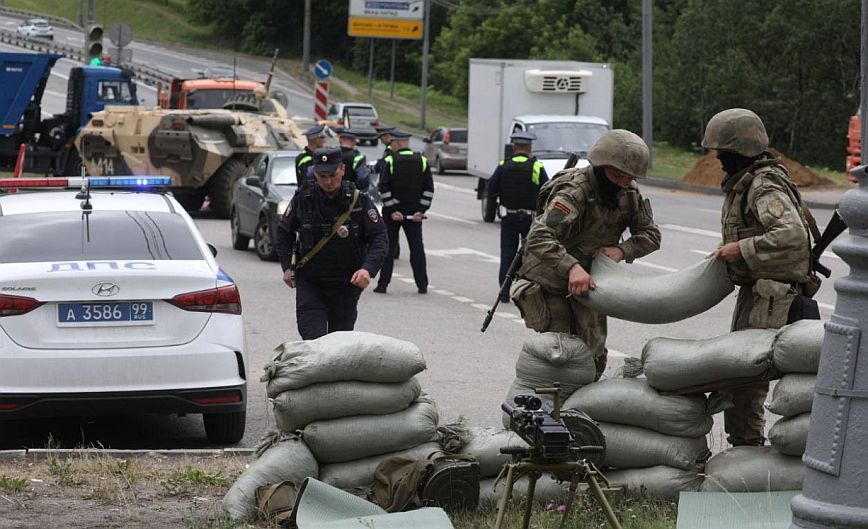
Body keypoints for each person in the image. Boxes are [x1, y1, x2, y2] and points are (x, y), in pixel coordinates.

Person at [702, 108, 814, 447]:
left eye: (724, 153)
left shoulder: (763, 185)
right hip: (761, 293)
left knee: (746, 378)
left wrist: (742, 249)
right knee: (742, 376)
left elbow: (791, 234)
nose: (719, 159)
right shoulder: (749, 182)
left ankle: (748, 447)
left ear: (741, 150)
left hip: (773, 299)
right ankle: (747, 448)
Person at [513, 129, 661, 380]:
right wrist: (571, 267)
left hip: (590, 283)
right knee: (561, 354)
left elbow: (651, 236)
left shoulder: (628, 194)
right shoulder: (574, 192)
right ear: (601, 167)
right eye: (617, 175)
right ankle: (552, 412)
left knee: (594, 355)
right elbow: (539, 236)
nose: (624, 183)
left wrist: (621, 250)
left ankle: (582, 411)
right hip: (552, 281)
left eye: (629, 177)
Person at [275, 147, 388, 340]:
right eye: (322, 175)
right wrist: (287, 267)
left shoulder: (358, 201)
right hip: (311, 283)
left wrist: (367, 270)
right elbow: (283, 232)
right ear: (314, 172)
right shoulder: (303, 198)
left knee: (338, 345)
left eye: (333, 175)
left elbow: (380, 236)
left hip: (346, 285)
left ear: (342, 169)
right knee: (314, 341)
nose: (328, 181)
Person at [486, 131, 549, 302]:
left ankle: (504, 293)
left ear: (514, 147)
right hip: (529, 219)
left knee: (507, 254)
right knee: (529, 256)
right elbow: (547, 190)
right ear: (529, 148)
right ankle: (525, 293)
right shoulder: (536, 166)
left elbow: (490, 189)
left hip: (509, 218)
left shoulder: (503, 165)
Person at [374, 129, 434, 294]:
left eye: (392, 143)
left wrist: (393, 210)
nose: (391, 146)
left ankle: (383, 285)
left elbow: (383, 188)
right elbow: (428, 189)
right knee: (417, 249)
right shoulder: (422, 161)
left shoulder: (391, 161)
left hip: (393, 214)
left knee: (388, 249)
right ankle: (422, 285)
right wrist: (421, 211)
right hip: (415, 214)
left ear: (398, 143)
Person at [334, 127, 370, 191]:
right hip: (349, 193)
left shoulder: (331, 153)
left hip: (331, 192)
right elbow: (362, 179)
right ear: (354, 142)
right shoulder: (358, 157)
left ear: (340, 140)